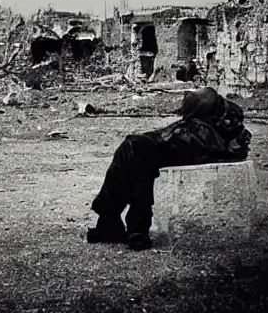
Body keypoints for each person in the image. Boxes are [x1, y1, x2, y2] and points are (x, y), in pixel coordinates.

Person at [86, 86, 251, 250]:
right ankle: (127, 224)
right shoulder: (207, 120)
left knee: (134, 149)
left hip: (188, 145)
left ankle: (116, 221)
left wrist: (230, 145)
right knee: (135, 153)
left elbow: (220, 144)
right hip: (184, 141)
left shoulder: (212, 126)